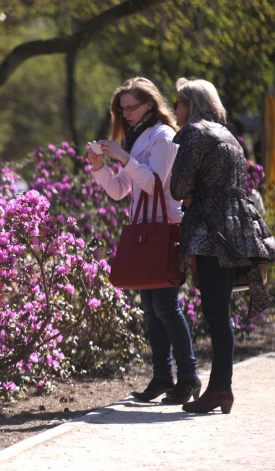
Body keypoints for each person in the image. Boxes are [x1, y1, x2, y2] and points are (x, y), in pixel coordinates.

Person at [86, 77, 201, 404]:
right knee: (151, 309)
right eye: (122, 110)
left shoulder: (164, 136)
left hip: (166, 229)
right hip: (144, 230)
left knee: (165, 305)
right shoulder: (136, 139)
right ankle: (163, 377)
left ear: (150, 104)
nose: (126, 114)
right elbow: (121, 191)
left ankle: (189, 376)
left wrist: (123, 158)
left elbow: (153, 184)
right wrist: (99, 168)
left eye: (132, 107)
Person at [170, 78, 275, 414]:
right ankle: (220, 389)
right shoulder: (229, 136)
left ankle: (220, 390)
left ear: (190, 104)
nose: (175, 110)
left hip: (209, 230)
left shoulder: (194, 133)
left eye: (178, 103)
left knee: (216, 313)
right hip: (235, 226)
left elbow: (178, 186)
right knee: (221, 312)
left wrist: (189, 191)